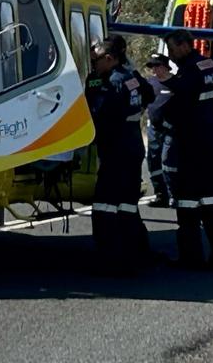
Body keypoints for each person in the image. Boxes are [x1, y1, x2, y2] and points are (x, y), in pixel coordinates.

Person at [160, 29, 213, 270]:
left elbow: (184, 95)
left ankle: (191, 257)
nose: (171, 56)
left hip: (192, 146)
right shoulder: (208, 64)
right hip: (209, 143)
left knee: (187, 204)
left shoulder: (191, 69)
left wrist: (164, 79)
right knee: (211, 204)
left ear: (184, 46)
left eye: (172, 49)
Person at [85, 35, 154, 274]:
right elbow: (149, 95)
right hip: (133, 146)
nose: (93, 65)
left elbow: (100, 112)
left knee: (104, 205)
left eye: (96, 61)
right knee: (127, 204)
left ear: (109, 58)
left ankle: (109, 257)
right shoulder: (131, 76)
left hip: (116, 149)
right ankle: (137, 252)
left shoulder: (112, 82)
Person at [143, 53, 174, 208]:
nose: (154, 70)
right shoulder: (150, 83)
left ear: (165, 66)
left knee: (168, 161)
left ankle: (173, 194)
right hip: (154, 129)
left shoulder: (176, 83)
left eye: (157, 66)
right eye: (152, 67)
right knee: (153, 161)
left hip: (171, 131)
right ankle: (160, 194)